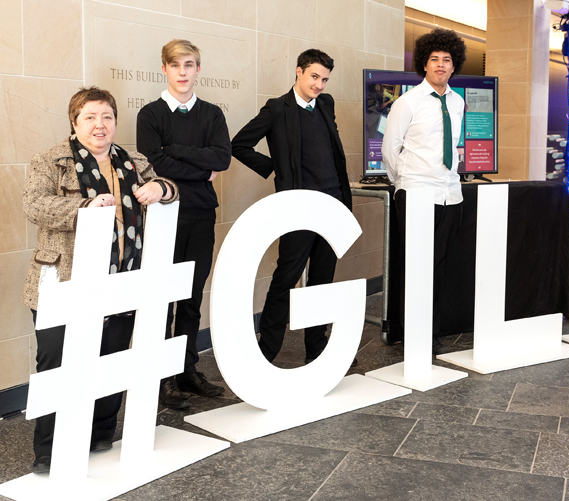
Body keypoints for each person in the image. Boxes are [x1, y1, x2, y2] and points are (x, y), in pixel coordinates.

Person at [21, 86, 178, 474]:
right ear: (74, 123)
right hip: (63, 281)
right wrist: (84, 207)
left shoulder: (134, 160)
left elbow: (171, 191)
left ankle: (100, 433)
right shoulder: (50, 161)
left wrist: (162, 188)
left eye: (106, 116)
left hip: (124, 278)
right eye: (90, 117)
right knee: (57, 365)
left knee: (112, 359)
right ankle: (48, 450)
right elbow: (34, 204)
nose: (100, 124)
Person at [231, 49, 355, 366]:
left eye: (325, 79)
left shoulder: (326, 105)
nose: (319, 85)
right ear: (298, 72)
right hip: (299, 209)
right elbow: (239, 145)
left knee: (322, 281)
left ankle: (316, 350)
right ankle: (267, 351)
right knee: (286, 279)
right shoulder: (277, 109)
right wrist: (276, 168)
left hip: (333, 207)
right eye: (314, 76)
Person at [137, 39, 230, 409]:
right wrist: (199, 167)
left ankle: (186, 370)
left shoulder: (212, 114)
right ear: (164, 69)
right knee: (165, 300)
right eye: (175, 66)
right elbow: (152, 165)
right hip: (165, 217)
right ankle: (162, 379)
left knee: (191, 299)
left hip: (201, 215)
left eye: (189, 65)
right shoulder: (150, 115)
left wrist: (175, 151)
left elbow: (221, 159)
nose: (182, 72)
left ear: (197, 70)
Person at [381, 28, 467, 355]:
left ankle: (429, 332)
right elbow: (390, 150)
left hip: (450, 195)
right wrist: (404, 182)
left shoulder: (458, 102)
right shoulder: (407, 102)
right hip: (417, 194)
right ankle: (410, 332)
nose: (441, 65)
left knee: (439, 267)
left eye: (447, 60)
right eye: (435, 60)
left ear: (454, 65)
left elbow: (452, 147)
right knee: (414, 267)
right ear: (424, 64)